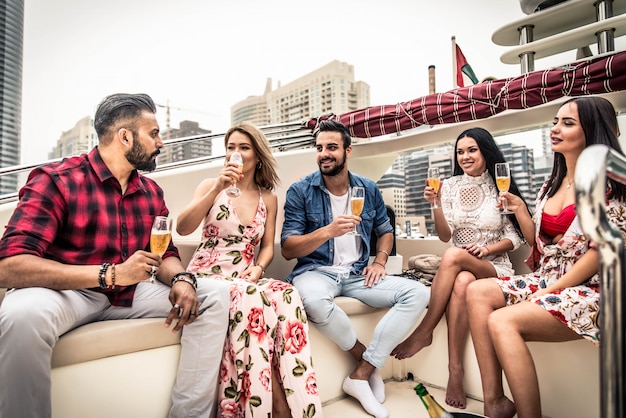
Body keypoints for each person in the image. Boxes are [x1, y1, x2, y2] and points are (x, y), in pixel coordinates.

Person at [0, 93, 230, 418]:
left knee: (214, 294)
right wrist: (110, 274)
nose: (161, 143)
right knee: (21, 315)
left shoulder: (151, 192)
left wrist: (180, 279)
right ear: (125, 137)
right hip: (68, 293)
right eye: (154, 133)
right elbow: (9, 266)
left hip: (129, 294)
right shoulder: (56, 180)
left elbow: (165, 254)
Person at [466, 96, 626, 418]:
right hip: (551, 278)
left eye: (567, 123)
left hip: (595, 287)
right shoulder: (551, 185)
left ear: (593, 132)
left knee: (501, 320)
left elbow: (599, 255)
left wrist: (547, 292)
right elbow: (537, 245)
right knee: (476, 290)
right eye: (555, 121)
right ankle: (495, 401)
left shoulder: (612, 184)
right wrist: (522, 210)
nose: (555, 129)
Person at [281, 119, 430, 418]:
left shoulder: (368, 188)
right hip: (316, 271)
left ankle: (360, 375)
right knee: (312, 301)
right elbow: (288, 249)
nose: (325, 153)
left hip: (359, 273)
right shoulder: (300, 191)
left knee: (417, 294)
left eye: (332, 147)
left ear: (348, 151)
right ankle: (368, 362)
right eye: (320, 148)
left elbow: (385, 230)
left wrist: (379, 260)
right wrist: (327, 231)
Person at [177, 122, 322, 418]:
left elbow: (268, 246)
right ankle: (275, 407)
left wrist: (258, 267)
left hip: (245, 275)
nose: (236, 153)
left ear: (257, 154)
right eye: (231, 147)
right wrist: (217, 186)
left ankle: (299, 401)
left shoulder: (268, 197)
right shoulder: (210, 186)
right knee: (251, 299)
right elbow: (182, 227)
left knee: (288, 294)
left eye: (243, 147)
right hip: (208, 274)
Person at [391, 127, 526, 409]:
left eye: (472, 150)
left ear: (485, 151)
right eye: (460, 152)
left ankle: (425, 330)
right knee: (462, 279)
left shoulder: (501, 184)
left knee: (453, 257)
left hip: (494, 265)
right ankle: (455, 371)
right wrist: (436, 205)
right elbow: (444, 235)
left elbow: (516, 237)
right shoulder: (450, 186)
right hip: (462, 266)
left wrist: (488, 249)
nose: (464, 156)